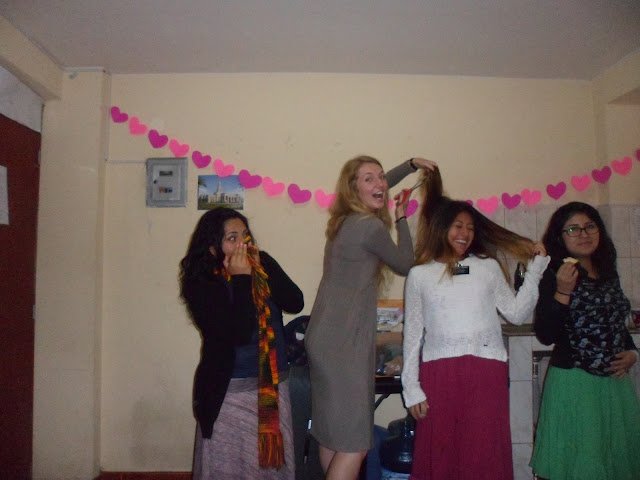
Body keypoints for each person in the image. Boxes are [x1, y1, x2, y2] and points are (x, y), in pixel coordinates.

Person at [401, 167, 549, 480]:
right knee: (442, 453)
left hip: (486, 371)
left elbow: (516, 313)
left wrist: (535, 271)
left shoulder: (487, 267)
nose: (465, 233)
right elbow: (412, 335)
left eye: (469, 228)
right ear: (442, 228)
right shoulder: (419, 275)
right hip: (439, 373)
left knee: (484, 452)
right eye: (458, 226)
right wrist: (411, 388)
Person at [304, 155, 436, 480]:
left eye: (381, 177)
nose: (379, 184)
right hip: (344, 345)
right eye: (369, 179)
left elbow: (377, 186)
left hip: (323, 339)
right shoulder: (369, 226)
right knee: (355, 444)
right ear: (354, 189)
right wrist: (402, 217)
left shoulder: (346, 221)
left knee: (332, 434)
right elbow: (405, 263)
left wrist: (409, 165)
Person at [179, 208, 304, 480]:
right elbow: (238, 333)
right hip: (230, 393)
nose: (242, 245)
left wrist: (262, 269)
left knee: (270, 470)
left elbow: (295, 302)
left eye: (245, 236)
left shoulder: (262, 263)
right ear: (213, 248)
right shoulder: (202, 282)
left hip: (272, 387)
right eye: (232, 238)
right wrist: (241, 279)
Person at [530, 202, 640, 480]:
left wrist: (632, 352)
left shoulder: (607, 270)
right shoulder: (553, 273)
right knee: (579, 465)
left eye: (590, 226)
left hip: (614, 385)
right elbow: (546, 334)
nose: (584, 234)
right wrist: (563, 292)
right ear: (560, 237)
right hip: (575, 382)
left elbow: (615, 322)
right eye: (573, 229)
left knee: (616, 464)